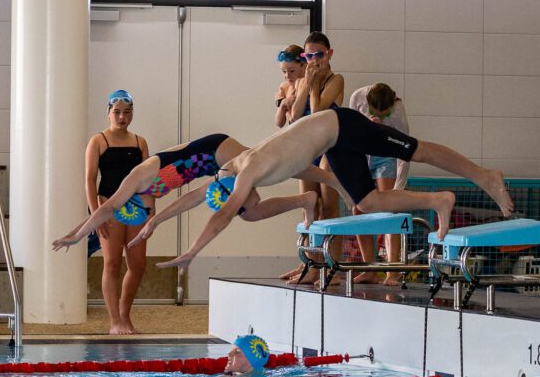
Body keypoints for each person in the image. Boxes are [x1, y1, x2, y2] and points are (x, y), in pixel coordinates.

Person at [155, 105, 513, 270]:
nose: (250, 205)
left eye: (244, 203)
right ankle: (438, 201)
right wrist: (153, 223)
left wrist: (192, 251)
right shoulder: (230, 173)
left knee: (416, 150)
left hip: (343, 124)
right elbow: (199, 195)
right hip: (333, 143)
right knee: (368, 203)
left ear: (240, 190)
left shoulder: (247, 171)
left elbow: (224, 215)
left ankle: (484, 176)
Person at [52, 132, 344, 251]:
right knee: (250, 212)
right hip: (211, 168)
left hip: (214, 149)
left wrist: (77, 235)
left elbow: (105, 208)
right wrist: (156, 221)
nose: (149, 208)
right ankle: (306, 199)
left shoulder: (137, 178)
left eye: (145, 210)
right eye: (147, 211)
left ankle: (331, 180)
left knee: (273, 169)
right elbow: (192, 197)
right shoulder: (149, 194)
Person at [85, 90, 151, 335]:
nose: (122, 117)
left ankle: (125, 315)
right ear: (109, 113)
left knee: (138, 264)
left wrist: (150, 212)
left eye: (127, 112)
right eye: (117, 112)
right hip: (108, 206)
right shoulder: (99, 141)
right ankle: (114, 321)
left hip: (135, 208)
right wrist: (95, 214)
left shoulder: (139, 142)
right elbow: (90, 180)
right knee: (112, 263)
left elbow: (147, 181)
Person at [285, 32, 345, 284]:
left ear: (329, 54)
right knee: (308, 207)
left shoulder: (336, 79)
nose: (313, 61)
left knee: (329, 209)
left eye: (318, 55)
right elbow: (294, 118)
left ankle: (330, 268)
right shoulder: (303, 81)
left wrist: (312, 85)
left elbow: (318, 112)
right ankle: (309, 263)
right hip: (308, 148)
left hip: (331, 148)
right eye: (308, 56)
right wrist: (306, 85)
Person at [348, 83, 410, 285]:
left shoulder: (399, 111)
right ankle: (370, 268)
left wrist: (398, 188)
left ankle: (393, 271)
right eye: (378, 114)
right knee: (358, 210)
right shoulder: (357, 97)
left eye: (386, 115)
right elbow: (350, 134)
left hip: (386, 156)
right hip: (362, 155)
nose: (382, 118)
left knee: (388, 212)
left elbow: (406, 152)